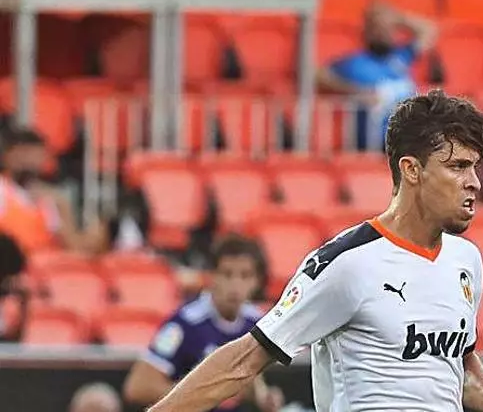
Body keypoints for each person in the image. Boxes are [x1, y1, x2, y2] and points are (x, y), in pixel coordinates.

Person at [146, 90, 483, 412]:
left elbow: (457, 361)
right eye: (457, 167)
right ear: (412, 170)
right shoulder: (347, 264)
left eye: (475, 168)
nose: (474, 183)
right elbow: (244, 360)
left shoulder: (465, 261)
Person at [123, 234, 285, 412]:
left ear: (257, 281)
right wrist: (203, 396)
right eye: (227, 274)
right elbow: (138, 387)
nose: (235, 285)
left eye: (245, 276)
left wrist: (264, 398)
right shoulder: (184, 324)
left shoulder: (258, 322)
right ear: (212, 276)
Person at [316, 1, 437, 151]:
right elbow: (317, 76)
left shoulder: (401, 56)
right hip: (379, 142)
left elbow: (429, 31)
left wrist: (397, 18)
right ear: (367, 31)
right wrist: (357, 92)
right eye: (377, 28)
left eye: (388, 28)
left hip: (412, 137)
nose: (384, 33)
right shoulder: (355, 64)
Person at [0, 127, 104, 256]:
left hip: (46, 263)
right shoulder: (2, 190)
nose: (29, 162)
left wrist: (63, 207)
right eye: (24, 155)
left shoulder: (49, 199)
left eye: (36, 156)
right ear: (8, 156)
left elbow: (74, 247)